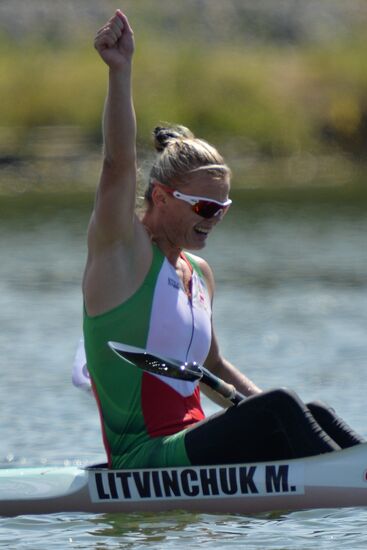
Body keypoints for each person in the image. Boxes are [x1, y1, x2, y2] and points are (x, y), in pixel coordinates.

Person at [82, 9, 364, 469]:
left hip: (194, 443)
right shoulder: (122, 254)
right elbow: (116, 164)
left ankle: (355, 477)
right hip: (145, 458)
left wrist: (272, 414)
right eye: (205, 207)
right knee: (282, 407)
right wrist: (120, 70)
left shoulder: (198, 275)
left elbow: (213, 366)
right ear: (161, 197)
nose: (214, 219)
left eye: (223, 209)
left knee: (309, 412)